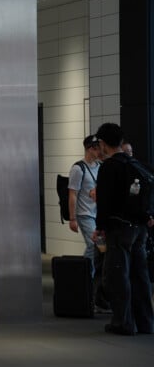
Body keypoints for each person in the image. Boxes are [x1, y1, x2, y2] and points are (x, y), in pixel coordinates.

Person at [93, 122, 154, 335]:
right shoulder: (136, 164)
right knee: (140, 275)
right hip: (140, 228)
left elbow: (105, 201)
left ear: (103, 143)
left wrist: (100, 227)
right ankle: (145, 322)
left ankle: (123, 323)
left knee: (119, 275)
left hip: (119, 229)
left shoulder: (110, 167)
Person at [67, 134, 109, 312]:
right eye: (98, 148)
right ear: (91, 148)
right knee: (95, 246)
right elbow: (72, 194)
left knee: (100, 249)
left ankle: (88, 280)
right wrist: (72, 218)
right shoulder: (78, 168)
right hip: (85, 215)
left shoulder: (100, 166)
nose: (100, 151)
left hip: (97, 214)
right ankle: (85, 280)